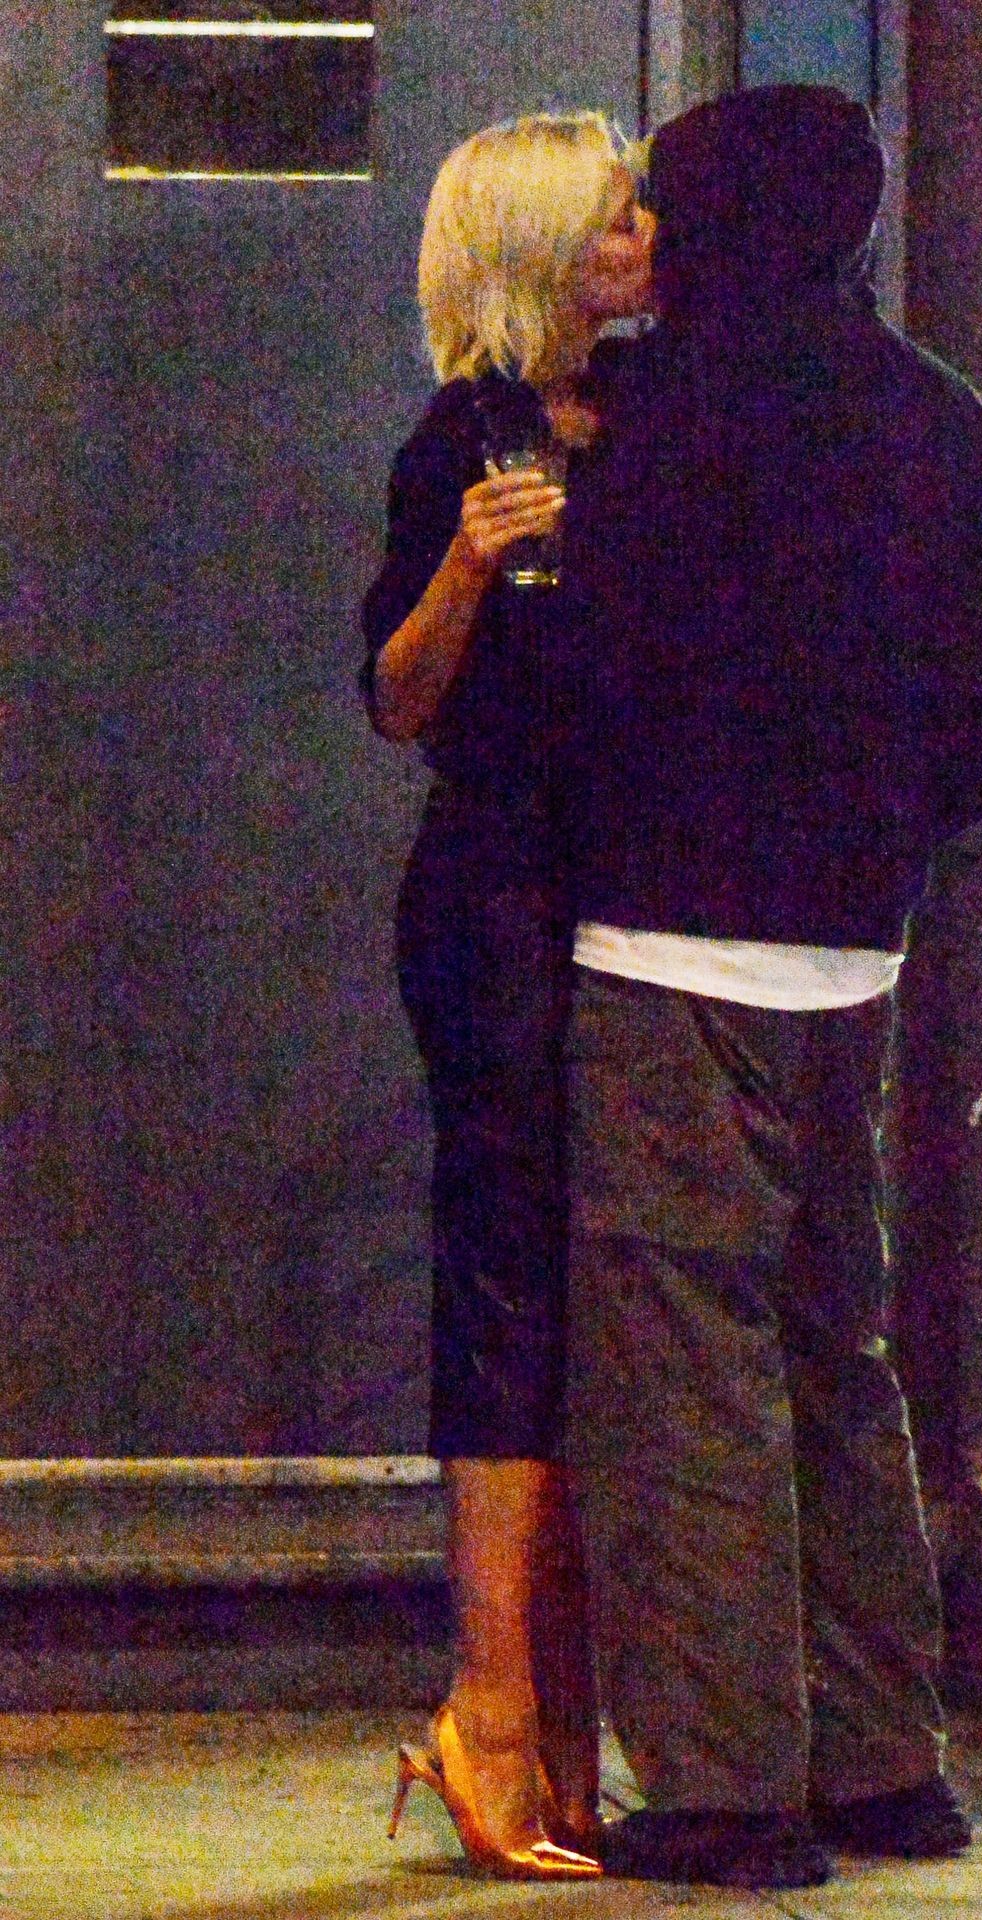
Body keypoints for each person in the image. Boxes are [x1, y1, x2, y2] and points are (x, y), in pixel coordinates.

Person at [552, 85, 982, 1888]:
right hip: (851, 957)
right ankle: (880, 1762)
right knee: (838, 1350)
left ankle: (723, 1791)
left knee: (684, 1365)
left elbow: (570, 683)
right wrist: (878, 836)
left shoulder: (641, 418)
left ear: (709, 218)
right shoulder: (947, 421)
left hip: (660, 947)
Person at [359, 111, 653, 1879]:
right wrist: (467, 564)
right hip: (496, 905)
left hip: (644, 900)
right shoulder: (458, 442)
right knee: (508, 1282)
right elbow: (396, 702)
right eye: (614, 216)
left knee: (616, 1293)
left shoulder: (665, 412)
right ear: (540, 247)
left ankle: (571, 1710)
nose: (644, 236)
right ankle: (490, 1706)